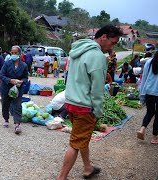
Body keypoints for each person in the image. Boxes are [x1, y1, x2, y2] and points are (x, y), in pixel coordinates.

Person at [57, 24, 122, 180]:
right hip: (84, 107)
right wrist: (98, 111)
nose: (113, 47)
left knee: (80, 138)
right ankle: (61, 177)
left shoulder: (78, 50)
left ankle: (88, 168)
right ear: (103, 37)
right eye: (113, 42)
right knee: (75, 144)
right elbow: (97, 90)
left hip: (71, 102)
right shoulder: (98, 56)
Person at [0, 45, 28, 134]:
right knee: (5, 104)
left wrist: (21, 82)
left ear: (19, 54)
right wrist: (10, 80)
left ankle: (17, 124)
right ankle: (6, 119)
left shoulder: (24, 65)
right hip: (6, 87)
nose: (14, 54)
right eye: (12, 53)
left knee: (17, 106)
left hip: (18, 89)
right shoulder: (7, 63)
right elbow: (1, 75)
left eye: (16, 53)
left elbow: (25, 78)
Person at [137, 51, 158, 144]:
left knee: (150, 111)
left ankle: (142, 128)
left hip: (149, 91)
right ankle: (154, 137)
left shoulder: (149, 62)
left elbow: (144, 78)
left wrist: (142, 93)